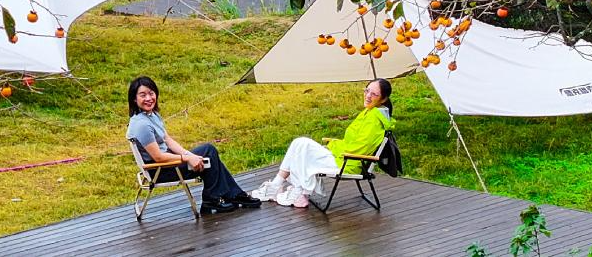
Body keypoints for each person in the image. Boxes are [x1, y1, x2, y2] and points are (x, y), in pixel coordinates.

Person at [251, 78, 395, 208]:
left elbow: (356, 149)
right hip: (342, 157)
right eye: (367, 90)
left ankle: (299, 191)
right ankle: (280, 186)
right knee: (299, 144)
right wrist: (334, 145)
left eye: (374, 94)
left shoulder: (374, 121)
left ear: (383, 99)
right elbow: (351, 143)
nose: (368, 96)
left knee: (303, 144)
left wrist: (333, 146)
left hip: (347, 162)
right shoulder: (370, 112)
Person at [126, 76, 261, 214]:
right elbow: (159, 157)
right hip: (161, 170)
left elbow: (168, 140)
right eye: (143, 95)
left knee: (207, 154)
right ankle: (215, 198)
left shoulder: (151, 115)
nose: (149, 98)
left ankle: (230, 196)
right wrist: (187, 158)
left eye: (151, 93)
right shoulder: (141, 125)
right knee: (209, 151)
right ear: (134, 99)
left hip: (170, 162)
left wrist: (189, 154)